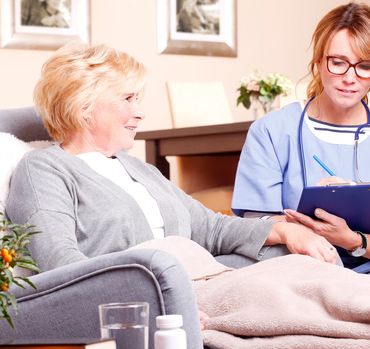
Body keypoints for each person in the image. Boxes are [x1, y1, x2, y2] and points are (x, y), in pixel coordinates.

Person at [5, 43, 339, 277]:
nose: (141, 112)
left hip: (203, 275)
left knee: (300, 258)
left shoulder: (136, 168)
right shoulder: (44, 170)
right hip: (153, 290)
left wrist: (284, 232)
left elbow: (211, 226)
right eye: (128, 98)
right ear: (84, 106)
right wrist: (155, 299)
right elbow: (60, 263)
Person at [232, 2, 370, 270]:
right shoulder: (272, 131)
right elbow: (255, 222)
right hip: (298, 270)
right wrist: (306, 231)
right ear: (318, 62)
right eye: (338, 62)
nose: (350, 77)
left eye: (364, 65)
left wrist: (354, 240)